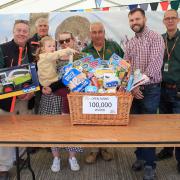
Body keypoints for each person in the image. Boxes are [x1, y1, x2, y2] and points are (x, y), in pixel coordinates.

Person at [124, 8, 165, 180]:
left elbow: (154, 66)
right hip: (134, 90)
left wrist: (137, 84)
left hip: (151, 90)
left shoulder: (155, 38)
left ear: (145, 19)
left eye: (137, 19)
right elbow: (127, 67)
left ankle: (150, 165)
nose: (135, 23)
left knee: (148, 128)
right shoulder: (130, 42)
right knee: (135, 126)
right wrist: (131, 86)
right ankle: (140, 157)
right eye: (131, 20)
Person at [36, 36, 82, 172]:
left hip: (69, 98)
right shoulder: (51, 56)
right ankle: (56, 157)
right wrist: (42, 87)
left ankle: (72, 157)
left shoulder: (77, 57)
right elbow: (40, 75)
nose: (64, 43)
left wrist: (52, 86)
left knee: (71, 128)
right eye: (61, 41)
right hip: (51, 97)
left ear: (73, 40)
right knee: (52, 128)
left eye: (67, 40)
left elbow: (70, 79)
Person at [82, 22, 124, 164]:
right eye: (94, 32)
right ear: (90, 34)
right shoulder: (86, 51)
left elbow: (124, 64)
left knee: (108, 120)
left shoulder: (114, 47)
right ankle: (93, 150)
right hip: (93, 91)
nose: (97, 35)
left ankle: (105, 148)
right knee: (93, 121)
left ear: (104, 32)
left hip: (111, 90)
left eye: (100, 32)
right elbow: (83, 72)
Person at [0, 19, 34, 180]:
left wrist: (32, 92)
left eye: (24, 31)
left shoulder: (33, 50)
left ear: (28, 33)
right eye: (19, 30)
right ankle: (3, 167)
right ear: (13, 31)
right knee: (5, 134)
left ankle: (20, 157)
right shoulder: (2, 49)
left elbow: (36, 73)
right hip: (7, 100)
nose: (21, 33)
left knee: (23, 131)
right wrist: (14, 92)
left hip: (26, 99)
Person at [156, 9, 180, 172]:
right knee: (164, 124)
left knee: (178, 127)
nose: (170, 21)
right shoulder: (160, 39)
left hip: (178, 90)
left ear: (178, 20)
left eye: (173, 18)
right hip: (162, 89)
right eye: (167, 18)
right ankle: (167, 150)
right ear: (163, 21)